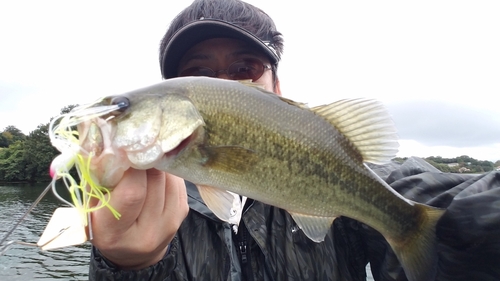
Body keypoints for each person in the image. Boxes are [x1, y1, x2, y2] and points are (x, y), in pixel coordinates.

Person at [89, 0, 500, 280]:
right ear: (173, 91)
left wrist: (455, 228)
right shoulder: (136, 207)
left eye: (244, 68)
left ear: (277, 85)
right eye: (199, 71)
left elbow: (463, 208)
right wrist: (126, 267)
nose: (225, 86)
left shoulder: (362, 170)